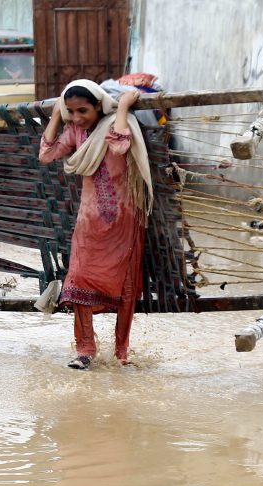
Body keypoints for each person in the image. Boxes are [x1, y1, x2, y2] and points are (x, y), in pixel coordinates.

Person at [38, 80, 153, 369]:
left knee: (125, 288)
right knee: (78, 280)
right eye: (72, 111)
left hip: (124, 221)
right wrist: (55, 115)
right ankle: (85, 348)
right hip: (89, 223)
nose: (77, 118)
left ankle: (121, 352)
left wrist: (124, 106)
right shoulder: (75, 131)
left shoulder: (115, 122)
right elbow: (47, 154)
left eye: (83, 111)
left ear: (99, 105)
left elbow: (120, 145)